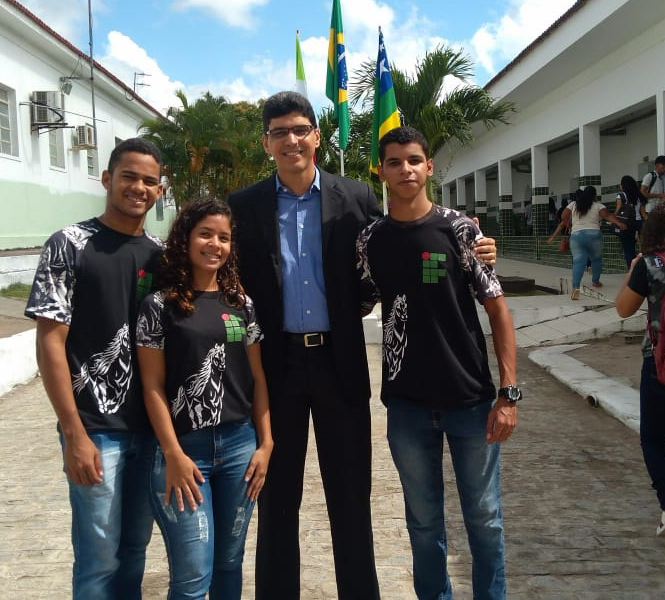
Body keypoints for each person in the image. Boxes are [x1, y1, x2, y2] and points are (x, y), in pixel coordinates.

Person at [227, 91, 497, 600]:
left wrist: (475, 245)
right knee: (277, 499)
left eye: (300, 129)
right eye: (279, 132)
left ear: (317, 137)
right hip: (275, 368)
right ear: (266, 143)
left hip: (339, 361)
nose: (291, 140)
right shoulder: (243, 208)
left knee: (351, 497)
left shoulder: (353, 198)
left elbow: (406, 233)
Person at [357, 126, 518, 599]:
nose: (405, 169)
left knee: (484, 520)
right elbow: (359, 301)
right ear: (382, 172)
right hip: (406, 406)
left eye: (413, 160)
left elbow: (498, 309)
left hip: (470, 401)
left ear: (429, 167)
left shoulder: (461, 230)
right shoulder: (370, 239)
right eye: (394, 162)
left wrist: (508, 393)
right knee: (424, 526)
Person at [25, 138, 164, 598]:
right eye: (128, 176)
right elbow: (50, 340)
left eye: (148, 181)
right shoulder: (70, 244)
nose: (138, 188)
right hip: (94, 429)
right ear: (107, 179)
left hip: (150, 430)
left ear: (159, 191)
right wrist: (73, 433)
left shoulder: (164, 257)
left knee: (135, 551)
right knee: (98, 558)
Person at [135, 197, 272, 599]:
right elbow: (152, 388)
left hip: (239, 450)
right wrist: (173, 454)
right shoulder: (159, 307)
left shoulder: (241, 305)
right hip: (184, 454)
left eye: (224, 238)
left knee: (230, 566)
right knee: (193, 575)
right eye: (205, 234)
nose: (215, 244)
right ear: (186, 239)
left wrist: (266, 443)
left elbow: (258, 378)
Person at [616, 203, 665, 538]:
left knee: (654, 439)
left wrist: (632, 269)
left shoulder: (650, 265)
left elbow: (623, 308)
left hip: (659, 364)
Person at [547, 186, 626, 300]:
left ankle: (575, 288)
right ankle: (595, 281)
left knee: (578, 262)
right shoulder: (598, 206)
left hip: (576, 236)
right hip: (594, 235)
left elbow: (564, 216)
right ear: (594, 196)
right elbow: (607, 216)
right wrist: (619, 223)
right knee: (596, 259)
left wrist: (570, 226)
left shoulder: (574, 204)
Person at [615, 175, 642, 268]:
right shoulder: (638, 195)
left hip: (628, 224)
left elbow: (618, 209)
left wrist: (613, 219)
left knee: (629, 249)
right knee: (642, 248)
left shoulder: (621, 195)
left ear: (623, 185)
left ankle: (632, 271)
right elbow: (642, 211)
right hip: (639, 222)